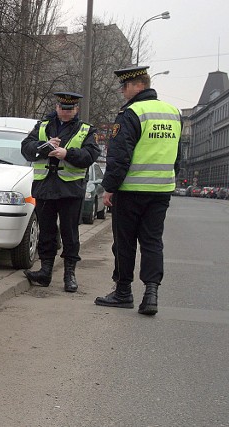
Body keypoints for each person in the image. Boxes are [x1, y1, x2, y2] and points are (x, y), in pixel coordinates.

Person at [94, 66, 181, 315]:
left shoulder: (132, 112)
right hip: (162, 190)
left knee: (125, 242)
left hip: (131, 189)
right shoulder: (173, 112)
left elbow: (119, 156)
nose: (123, 91)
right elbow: (177, 156)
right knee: (152, 242)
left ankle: (123, 293)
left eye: (125, 86)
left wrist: (109, 188)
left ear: (137, 86)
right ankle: (151, 294)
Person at [21, 92, 100, 292]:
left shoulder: (86, 129)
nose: (65, 112)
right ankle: (45, 271)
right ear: (57, 107)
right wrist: (45, 147)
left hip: (70, 190)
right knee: (45, 232)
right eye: (62, 108)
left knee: (70, 233)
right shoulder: (43, 126)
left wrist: (67, 153)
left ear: (76, 110)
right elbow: (26, 148)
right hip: (45, 187)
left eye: (70, 109)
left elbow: (90, 154)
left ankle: (69, 274)